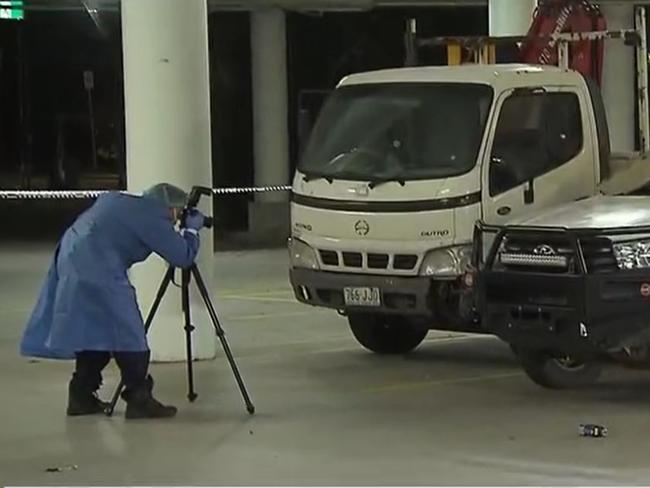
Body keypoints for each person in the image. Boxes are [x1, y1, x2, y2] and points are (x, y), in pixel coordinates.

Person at [20, 183, 206, 419]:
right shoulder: (152, 215)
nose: (176, 219)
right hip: (98, 267)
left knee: (94, 330)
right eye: (178, 213)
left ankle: (81, 396)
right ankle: (139, 398)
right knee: (129, 332)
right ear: (170, 208)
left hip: (70, 257)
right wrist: (191, 232)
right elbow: (182, 256)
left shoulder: (122, 202)